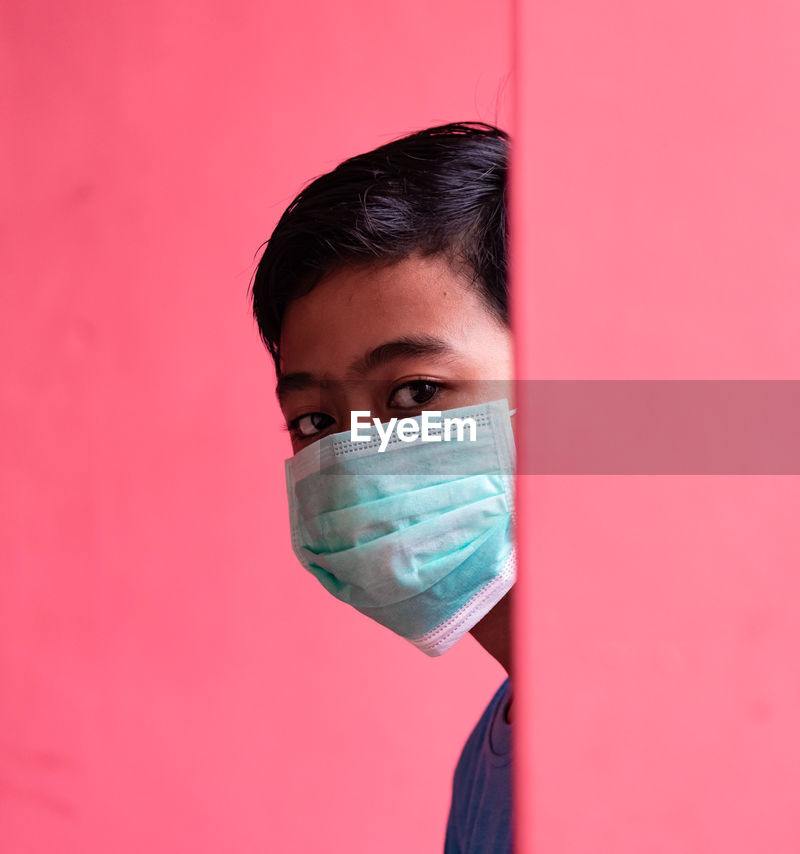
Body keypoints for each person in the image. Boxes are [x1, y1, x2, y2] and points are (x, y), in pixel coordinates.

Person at [249, 122, 515, 853]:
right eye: (313, 419)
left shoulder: (687, 728)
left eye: (416, 392)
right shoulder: (489, 760)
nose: (358, 453)